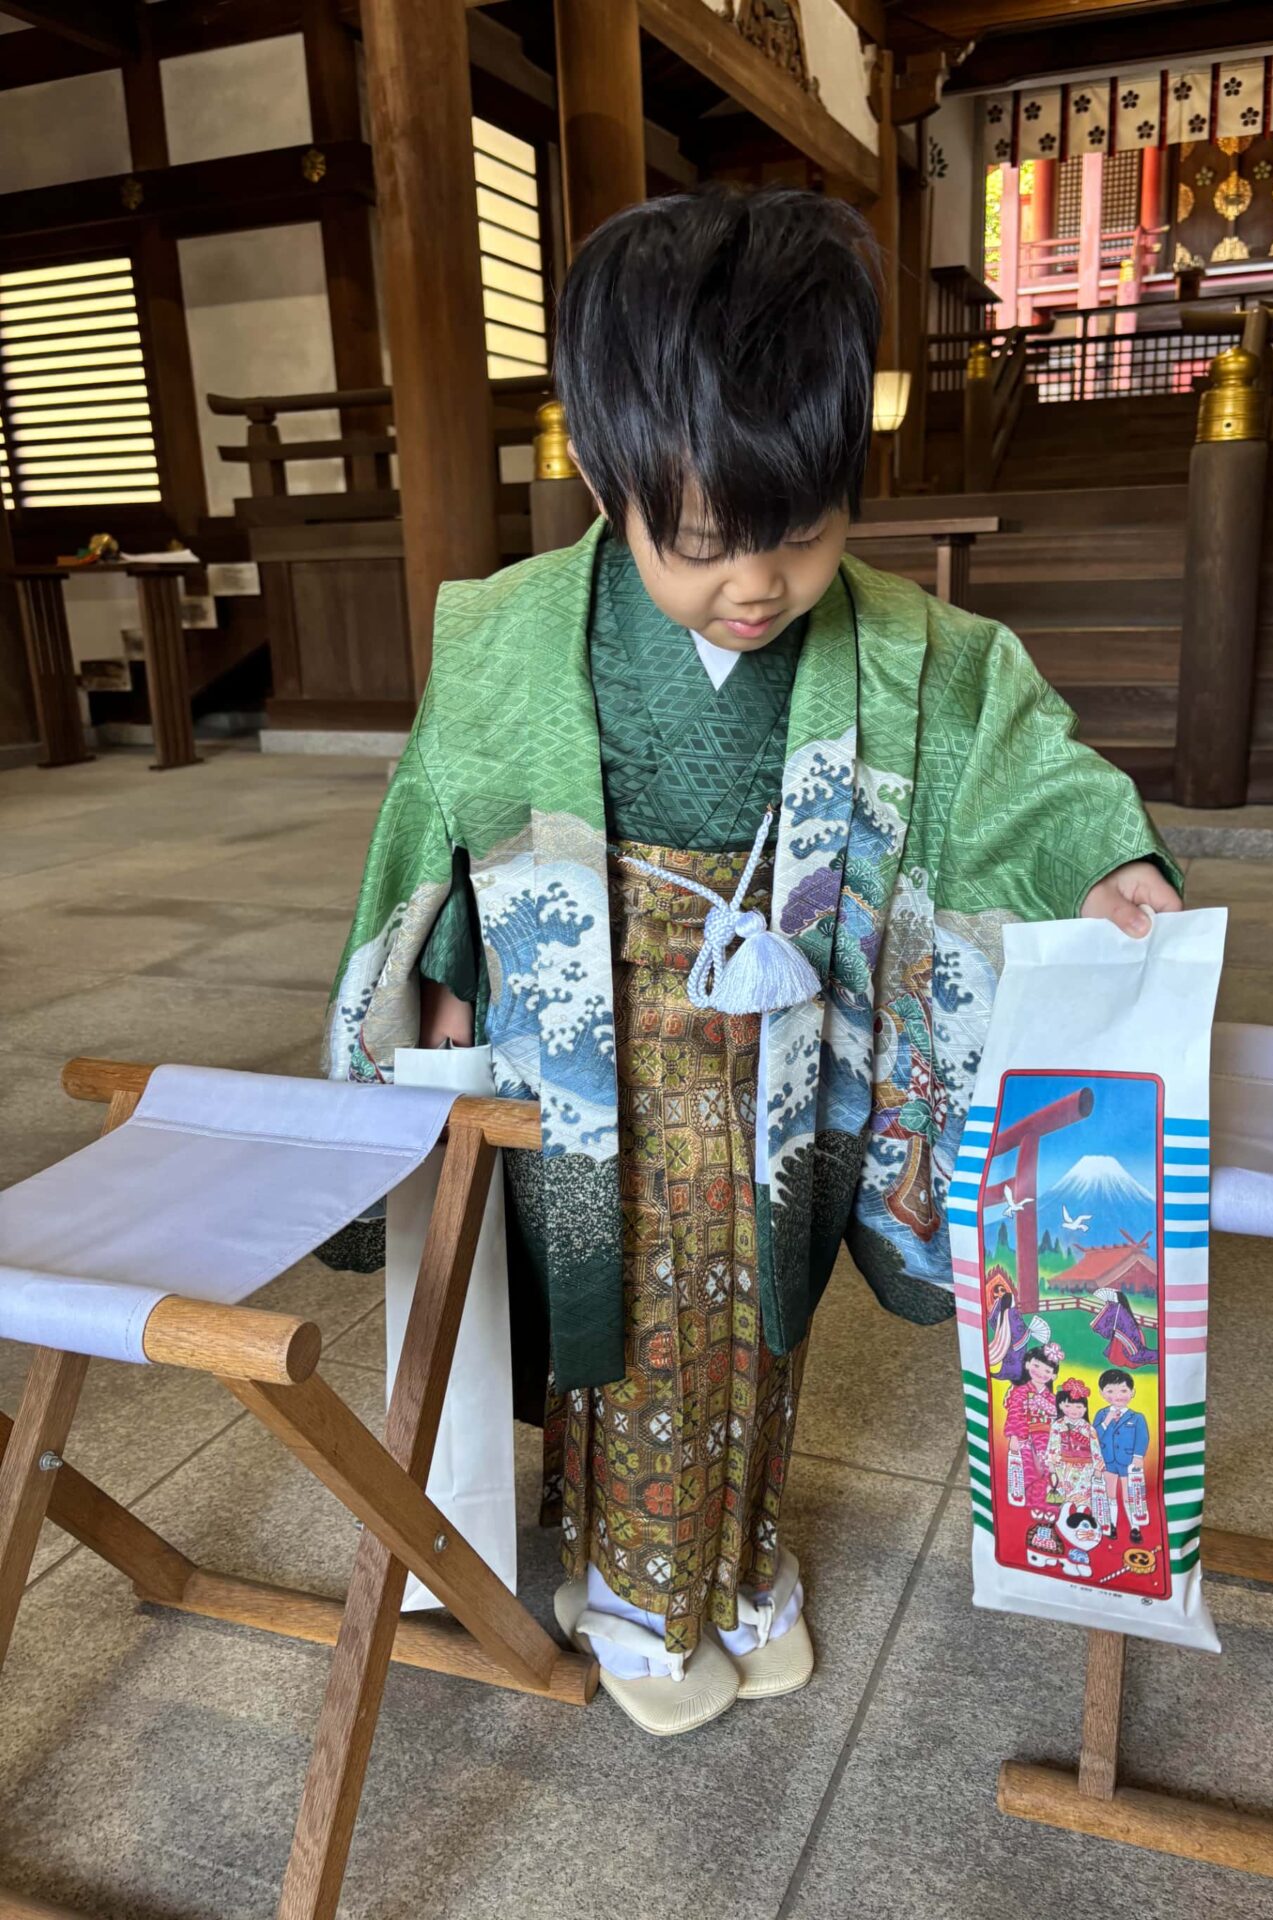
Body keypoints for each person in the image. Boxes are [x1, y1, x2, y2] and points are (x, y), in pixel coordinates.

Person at [325, 186, 1183, 1736]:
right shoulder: (514, 636)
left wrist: (1099, 856)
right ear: (609, 475)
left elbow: (1018, 757)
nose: (761, 587)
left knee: (761, 1321)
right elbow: (437, 825)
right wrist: (441, 982)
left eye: (804, 533)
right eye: (708, 543)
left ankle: (738, 1561)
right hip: (599, 1072)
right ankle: (642, 1595)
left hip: (788, 1064)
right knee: (635, 1319)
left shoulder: (910, 648)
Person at [1002, 1342, 1064, 1510]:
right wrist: (1015, 1436)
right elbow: (1015, 1413)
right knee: (1025, 1470)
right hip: (1024, 1437)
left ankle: (1047, 1505)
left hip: (1046, 1439)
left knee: (1050, 1472)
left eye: (1047, 1370)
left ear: (1053, 1376)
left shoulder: (1053, 1398)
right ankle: (1028, 1503)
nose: (1041, 1373)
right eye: (1037, 1366)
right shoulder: (1020, 1391)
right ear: (1028, 1364)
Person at [1094, 1366, 1151, 1543]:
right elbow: (1094, 1435)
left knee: (1129, 1495)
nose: (1117, 1395)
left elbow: (1143, 1438)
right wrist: (1107, 1420)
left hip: (1128, 1462)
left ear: (1132, 1392)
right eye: (1110, 1391)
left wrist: (1138, 1457)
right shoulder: (1102, 1414)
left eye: (1123, 1390)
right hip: (1107, 1460)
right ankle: (1111, 1524)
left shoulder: (1137, 1417)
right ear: (1102, 1393)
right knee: (1110, 1494)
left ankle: (1135, 1527)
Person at [1045, 1377, 1106, 1512]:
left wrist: (1097, 1469)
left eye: (1079, 1406)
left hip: (1085, 1469)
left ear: (1085, 1408)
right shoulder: (1057, 1425)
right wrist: (1052, 1466)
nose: (1074, 1410)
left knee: (1082, 1500)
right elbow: (1053, 1446)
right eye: (1068, 1406)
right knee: (1064, 1501)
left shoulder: (1088, 1429)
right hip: (1063, 1467)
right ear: (1060, 1406)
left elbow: (1096, 1450)